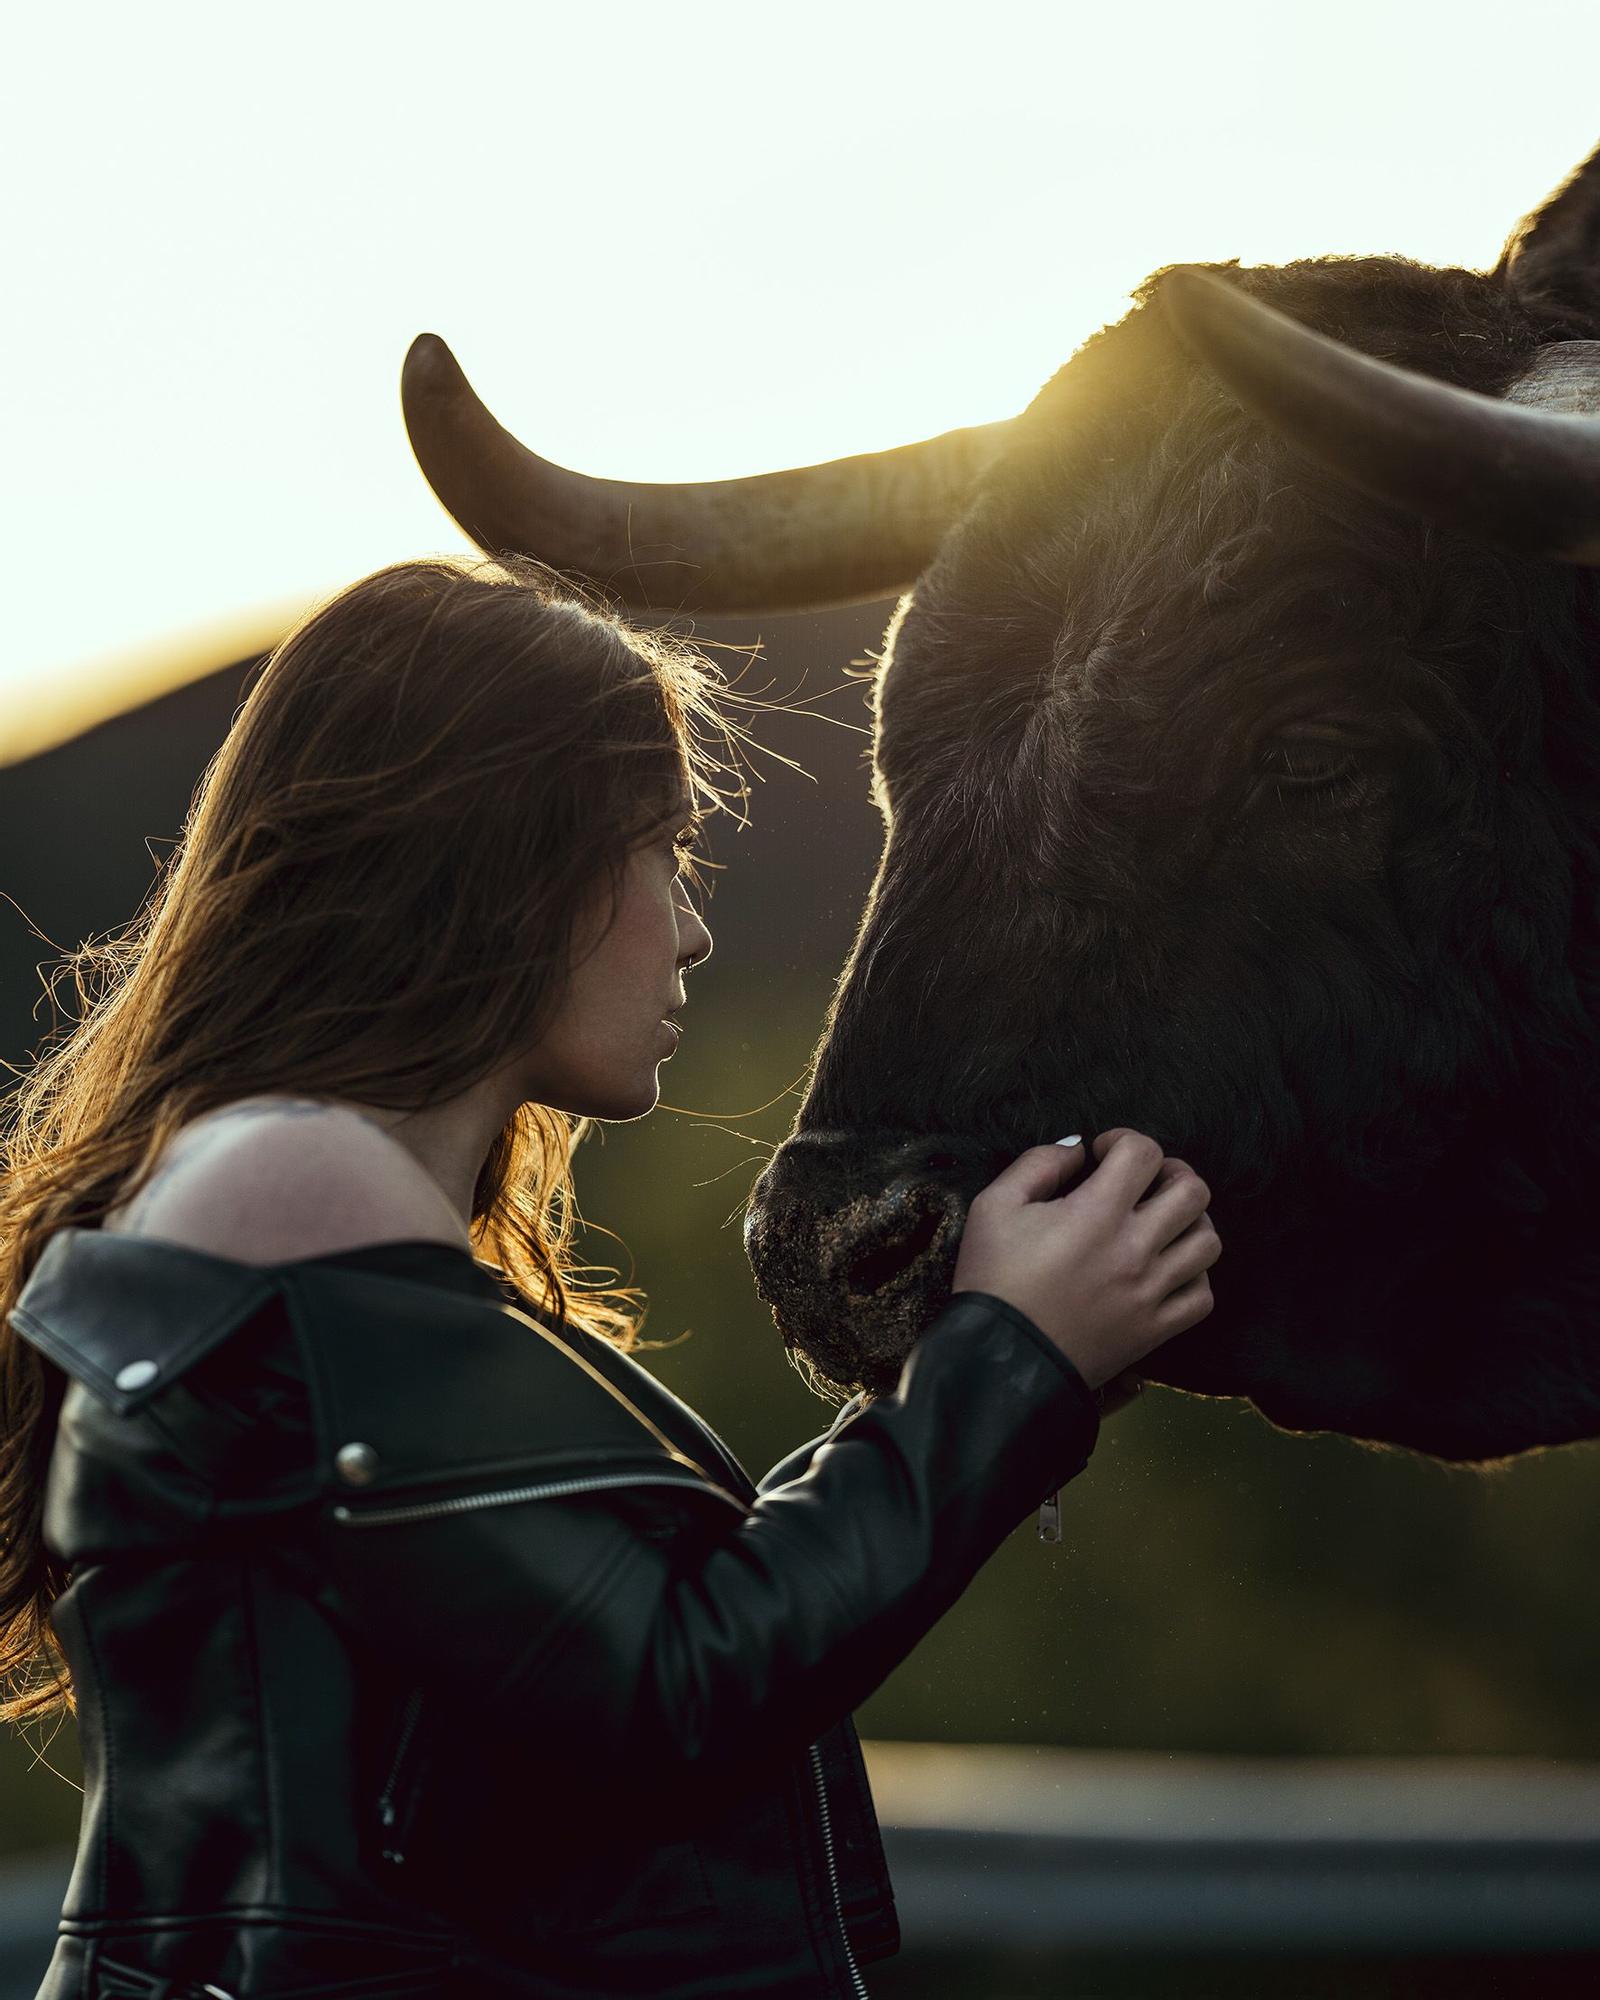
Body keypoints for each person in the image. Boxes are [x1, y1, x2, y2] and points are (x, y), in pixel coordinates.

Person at [0, 552, 1221, 1999]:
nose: (694, 924)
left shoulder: (277, 1191)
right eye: (667, 846)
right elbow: (678, 1683)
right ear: (512, 857)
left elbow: (590, 1700)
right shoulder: (297, 1179)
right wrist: (1006, 1358)